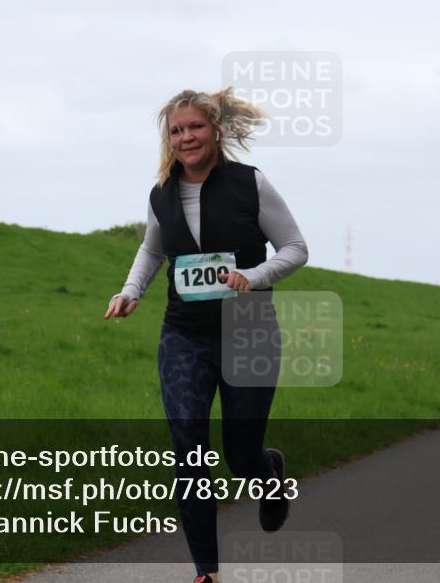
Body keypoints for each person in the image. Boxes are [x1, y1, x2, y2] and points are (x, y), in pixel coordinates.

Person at [104, 87, 308, 583]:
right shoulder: (161, 193)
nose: (185, 137)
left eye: (194, 127)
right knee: (189, 449)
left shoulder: (249, 184)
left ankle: (268, 476)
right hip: (184, 336)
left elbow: (295, 247)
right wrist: (131, 291)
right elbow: (153, 252)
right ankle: (206, 572)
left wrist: (254, 277)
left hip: (249, 334)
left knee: (240, 456)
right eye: (176, 130)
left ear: (215, 130)